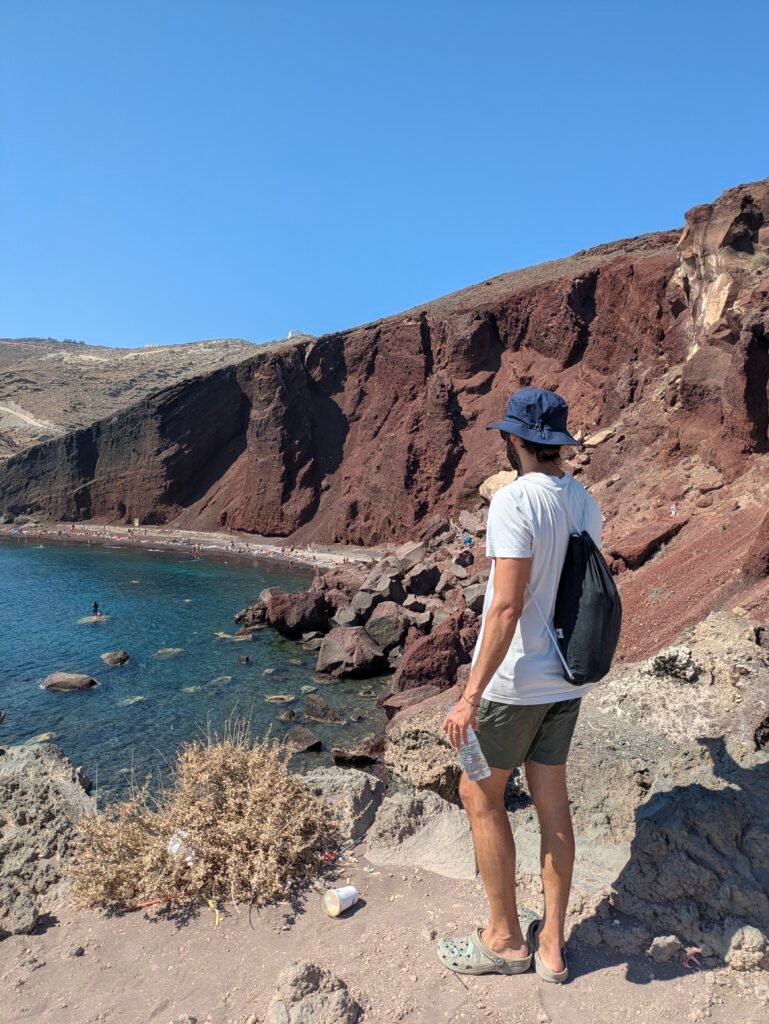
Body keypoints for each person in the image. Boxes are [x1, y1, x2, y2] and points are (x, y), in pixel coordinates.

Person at [438, 387, 602, 983]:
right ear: (556, 441)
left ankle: (505, 939)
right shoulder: (584, 501)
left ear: (515, 440)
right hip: (565, 680)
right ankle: (553, 947)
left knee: (479, 796)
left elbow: (505, 609)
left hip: (514, 685)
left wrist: (469, 696)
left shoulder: (514, 502)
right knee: (553, 805)